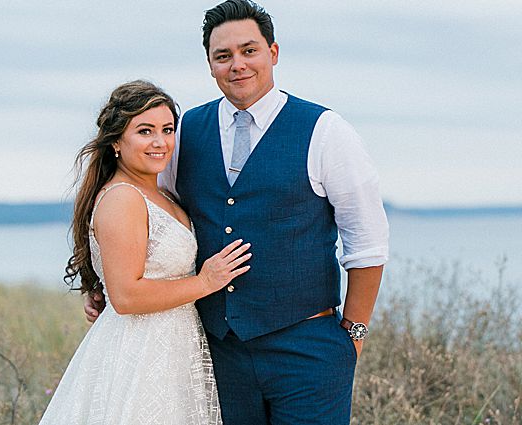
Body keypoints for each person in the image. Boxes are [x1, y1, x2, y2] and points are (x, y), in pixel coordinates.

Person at [83, 2, 389, 423]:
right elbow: (153, 217)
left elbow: (367, 242)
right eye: (223, 56)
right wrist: (105, 282)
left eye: (249, 51)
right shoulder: (185, 130)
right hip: (215, 351)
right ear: (210, 64)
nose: (237, 65)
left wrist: (352, 336)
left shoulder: (326, 131)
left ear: (273, 53)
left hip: (308, 351)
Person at [40, 80, 251, 424]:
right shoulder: (123, 197)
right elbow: (126, 296)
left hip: (173, 347)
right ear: (116, 142)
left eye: (167, 130)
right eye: (145, 130)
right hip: (139, 353)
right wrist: (206, 281)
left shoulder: (162, 195)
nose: (160, 142)